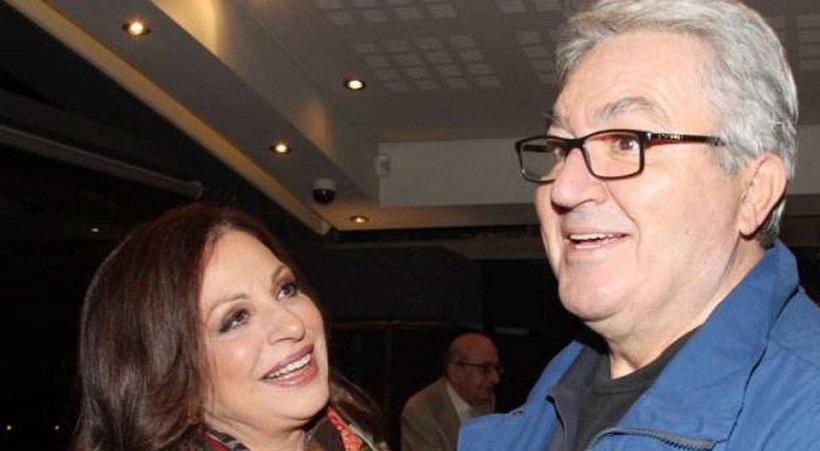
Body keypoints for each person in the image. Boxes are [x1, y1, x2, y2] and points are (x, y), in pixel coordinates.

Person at [460, 0, 820, 449]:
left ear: (753, 191)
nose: (565, 188)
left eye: (627, 142)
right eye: (561, 148)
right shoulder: (553, 396)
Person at [73, 203, 385, 451]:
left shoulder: (355, 435)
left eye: (285, 289)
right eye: (236, 318)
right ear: (167, 378)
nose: (292, 325)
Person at [401, 333, 501, 451]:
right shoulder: (420, 411)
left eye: (497, 368)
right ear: (455, 371)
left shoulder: (486, 401)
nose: (496, 379)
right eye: (485, 369)